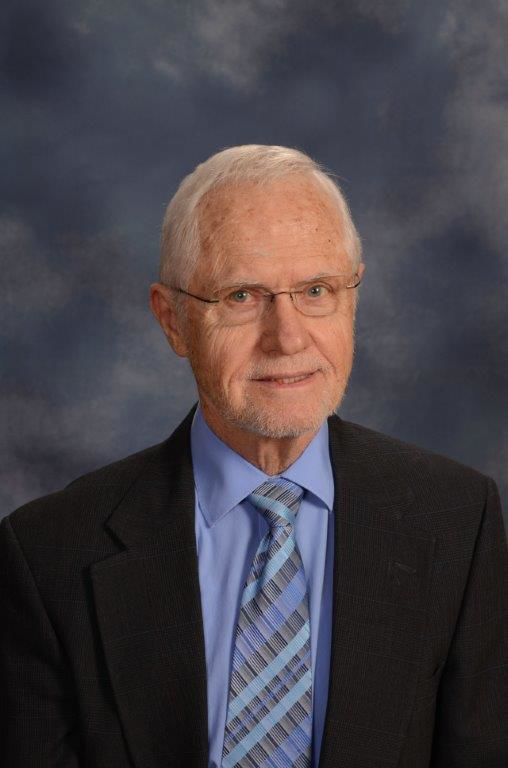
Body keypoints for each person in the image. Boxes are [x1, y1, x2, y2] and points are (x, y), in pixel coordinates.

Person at [1, 145, 507, 768]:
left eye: (316, 290)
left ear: (351, 299)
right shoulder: (48, 554)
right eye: (241, 295)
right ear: (173, 320)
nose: (287, 338)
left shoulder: (456, 521)